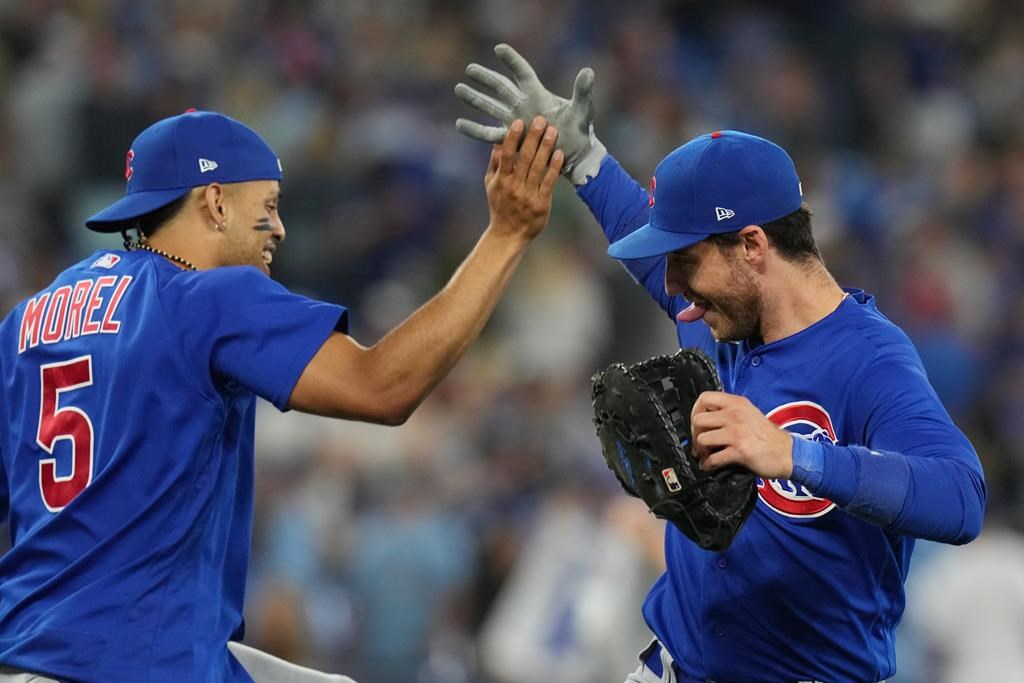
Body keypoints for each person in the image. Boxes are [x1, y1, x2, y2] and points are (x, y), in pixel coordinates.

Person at [455, 45, 987, 683]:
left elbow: (961, 498)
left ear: (753, 245)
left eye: (685, 259)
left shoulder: (870, 360)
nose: (672, 285)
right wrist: (584, 159)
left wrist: (794, 455)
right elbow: (644, 235)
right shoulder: (720, 313)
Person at [0, 108, 563, 682]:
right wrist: (507, 234)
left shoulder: (28, 319)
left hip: (26, 654)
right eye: (267, 205)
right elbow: (385, 388)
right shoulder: (205, 297)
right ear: (215, 202)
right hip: (137, 661)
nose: (280, 227)